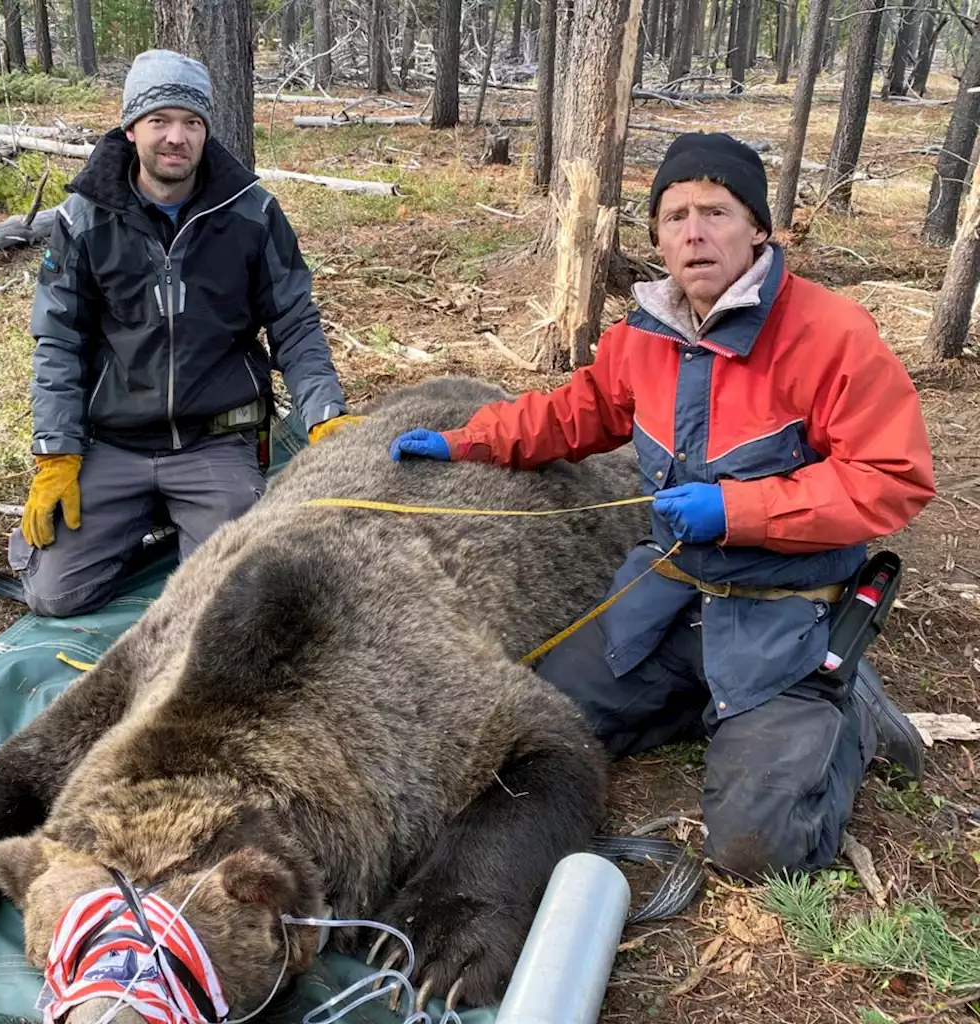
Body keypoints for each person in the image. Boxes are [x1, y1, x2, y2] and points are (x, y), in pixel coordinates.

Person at [388, 132, 936, 880]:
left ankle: (846, 716)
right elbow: (572, 414)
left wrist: (739, 511)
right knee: (527, 727)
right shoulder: (645, 334)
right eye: (675, 216)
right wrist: (465, 441)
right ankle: (717, 709)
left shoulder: (832, 336)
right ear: (657, 236)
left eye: (716, 211)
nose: (694, 232)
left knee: (757, 850)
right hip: (669, 605)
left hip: (788, 620)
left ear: (758, 228)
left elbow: (891, 479)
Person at [15, 49, 348, 617]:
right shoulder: (83, 219)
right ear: (131, 128)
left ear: (206, 131)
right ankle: (134, 521)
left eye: (192, 122)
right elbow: (59, 341)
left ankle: (187, 519)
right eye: (160, 121)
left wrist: (325, 413)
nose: (177, 137)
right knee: (54, 595)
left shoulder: (252, 213)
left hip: (213, 442)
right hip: (115, 443)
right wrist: (57, 453)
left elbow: (295, 322)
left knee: (226, 604)